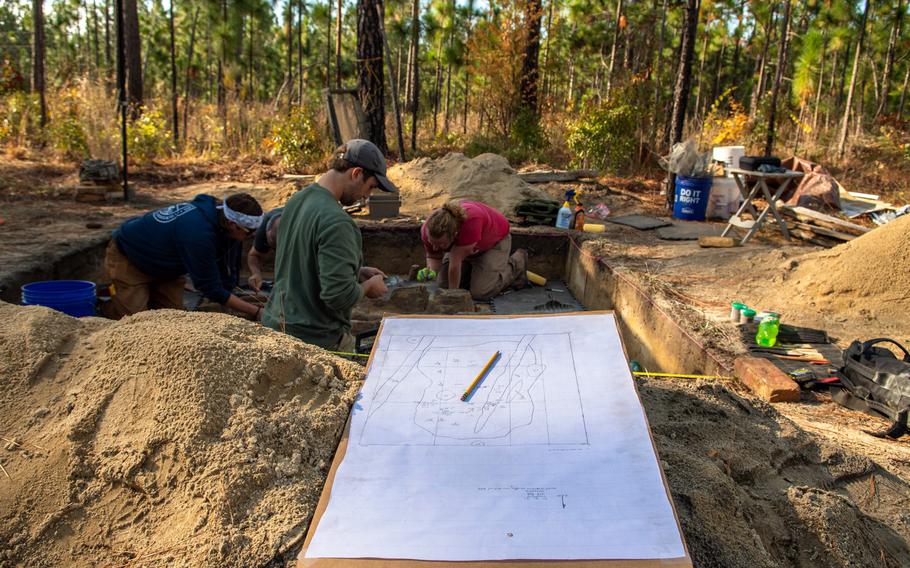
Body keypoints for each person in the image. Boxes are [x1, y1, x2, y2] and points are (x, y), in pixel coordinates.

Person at [262, 139, 396, 351]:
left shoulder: (298, 200)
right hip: (315, 340)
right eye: (370, 187)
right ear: (356, 173)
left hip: (277, 326)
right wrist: (369, 287)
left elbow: (302, 259)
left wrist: (354, 271)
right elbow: (339, 296)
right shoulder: (337, 222)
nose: (367, 196)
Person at [103, 193, 265, 320]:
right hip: (131, 256)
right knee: (133, 322)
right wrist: (256, 312)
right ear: (232, 224)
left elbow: (227, 264)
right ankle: (104, 310)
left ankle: (147, 297)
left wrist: (230, 293)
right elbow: (209, 287)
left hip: (166, 265)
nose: (251, 236)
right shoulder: (198, 235)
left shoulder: (225, 218)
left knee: (174, 319)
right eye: (249, 233)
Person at [421, 200, 527, 301]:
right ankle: (475, 273)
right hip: (467, 247)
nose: (435, 248)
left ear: (455, 234)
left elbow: (455, 264)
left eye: (441, 244)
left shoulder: (471, 223)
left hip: (494, 241)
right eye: (432, 243)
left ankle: (518, 261)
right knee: (443, 284)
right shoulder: (430, 230)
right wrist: (430, 272)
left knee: (481, 292)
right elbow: (434, 256)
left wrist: (452, 298)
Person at [246, 207, 283, 291]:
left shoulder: (305, 233)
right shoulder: (263, 226)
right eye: (272, 245)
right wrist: (256, 273)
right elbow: (254, 255)